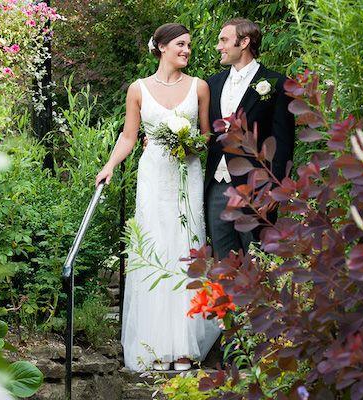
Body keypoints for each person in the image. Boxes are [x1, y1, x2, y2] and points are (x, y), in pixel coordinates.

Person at [95, 23, 220, 372]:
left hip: (186, 176)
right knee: (154, 249)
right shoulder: (138, 89)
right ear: (162, 47)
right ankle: (155, 347)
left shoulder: (199, 87)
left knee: (184, 249)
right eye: (180, 44)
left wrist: (190, 144)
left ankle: (183, 348)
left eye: (189, 45)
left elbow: (207, 136)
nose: (187, 50)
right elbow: (128, 136)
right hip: (153, 177)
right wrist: (109, 166)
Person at [205, 18, 296, 259]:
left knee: (259, 260)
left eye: (224, 40)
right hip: (217, 185)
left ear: (244, 42)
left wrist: (276, 187)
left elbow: (284, 142)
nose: (219, 46)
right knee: (224, 262)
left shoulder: (277, 83)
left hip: (258, 187)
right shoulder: (211, 84)